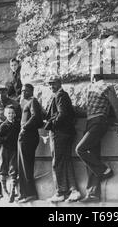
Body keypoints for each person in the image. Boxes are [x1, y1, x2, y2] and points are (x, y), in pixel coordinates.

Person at [76, 71, 118, 203]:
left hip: (98, 122)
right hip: (91, 123)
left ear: (93, 76)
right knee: (92, 158)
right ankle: (93, 194)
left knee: (80, 149)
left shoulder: (105, 86)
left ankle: (105, 170)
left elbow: (116, 107)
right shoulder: (90, 88)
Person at [44, 75, 81, 203]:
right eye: (49, 84)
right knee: (65, 161)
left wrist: (50, 124)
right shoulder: (60, 95)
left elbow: (62, 114)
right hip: (65, 133)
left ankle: (60, 192)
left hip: (59, 133)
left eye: (53, 83)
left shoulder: (60, 95)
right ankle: (73, 190)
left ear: (60, 83)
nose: (51, 86)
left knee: (57, 162)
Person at [0, 85, 20, 198]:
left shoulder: (15, 104)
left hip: (10, 135)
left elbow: (18, 118)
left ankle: (12, 189)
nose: (1, 95)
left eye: (3, 92)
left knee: (12, 162)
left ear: (7, 93)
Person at [17, 84, 43, 203]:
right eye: (22, 90)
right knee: (21, 166)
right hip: (24, 136)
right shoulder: (25, 102)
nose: (23, 92)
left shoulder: (33, 101)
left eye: (26, 91)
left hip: (29, 136)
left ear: (31, 91)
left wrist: (24, 128)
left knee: (26, 166)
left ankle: (30, 194)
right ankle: (23, 193)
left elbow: (36, 117)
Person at [0, 105, 21, 203]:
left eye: (12, 113)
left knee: (13, 169)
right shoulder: (4, 125)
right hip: (5, 150)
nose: (11, 115)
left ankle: (13, 190)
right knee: (3, 169)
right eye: (9, 113)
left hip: (14, 149)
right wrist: (6, 139)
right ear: (5, 114)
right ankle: (5, 191)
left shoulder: (17, 125)